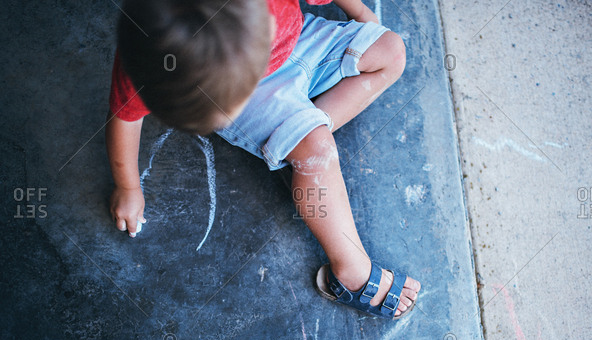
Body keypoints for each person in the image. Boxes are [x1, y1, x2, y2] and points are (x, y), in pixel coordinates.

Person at [107, 0, 421, 319]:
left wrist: (361, 14)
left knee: (391, 51)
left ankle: (300, 137)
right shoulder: (155, 44)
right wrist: (128, 186)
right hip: (258, 81)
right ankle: (352, 270)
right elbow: (125, 116)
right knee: (316, 150)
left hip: (298, 40)